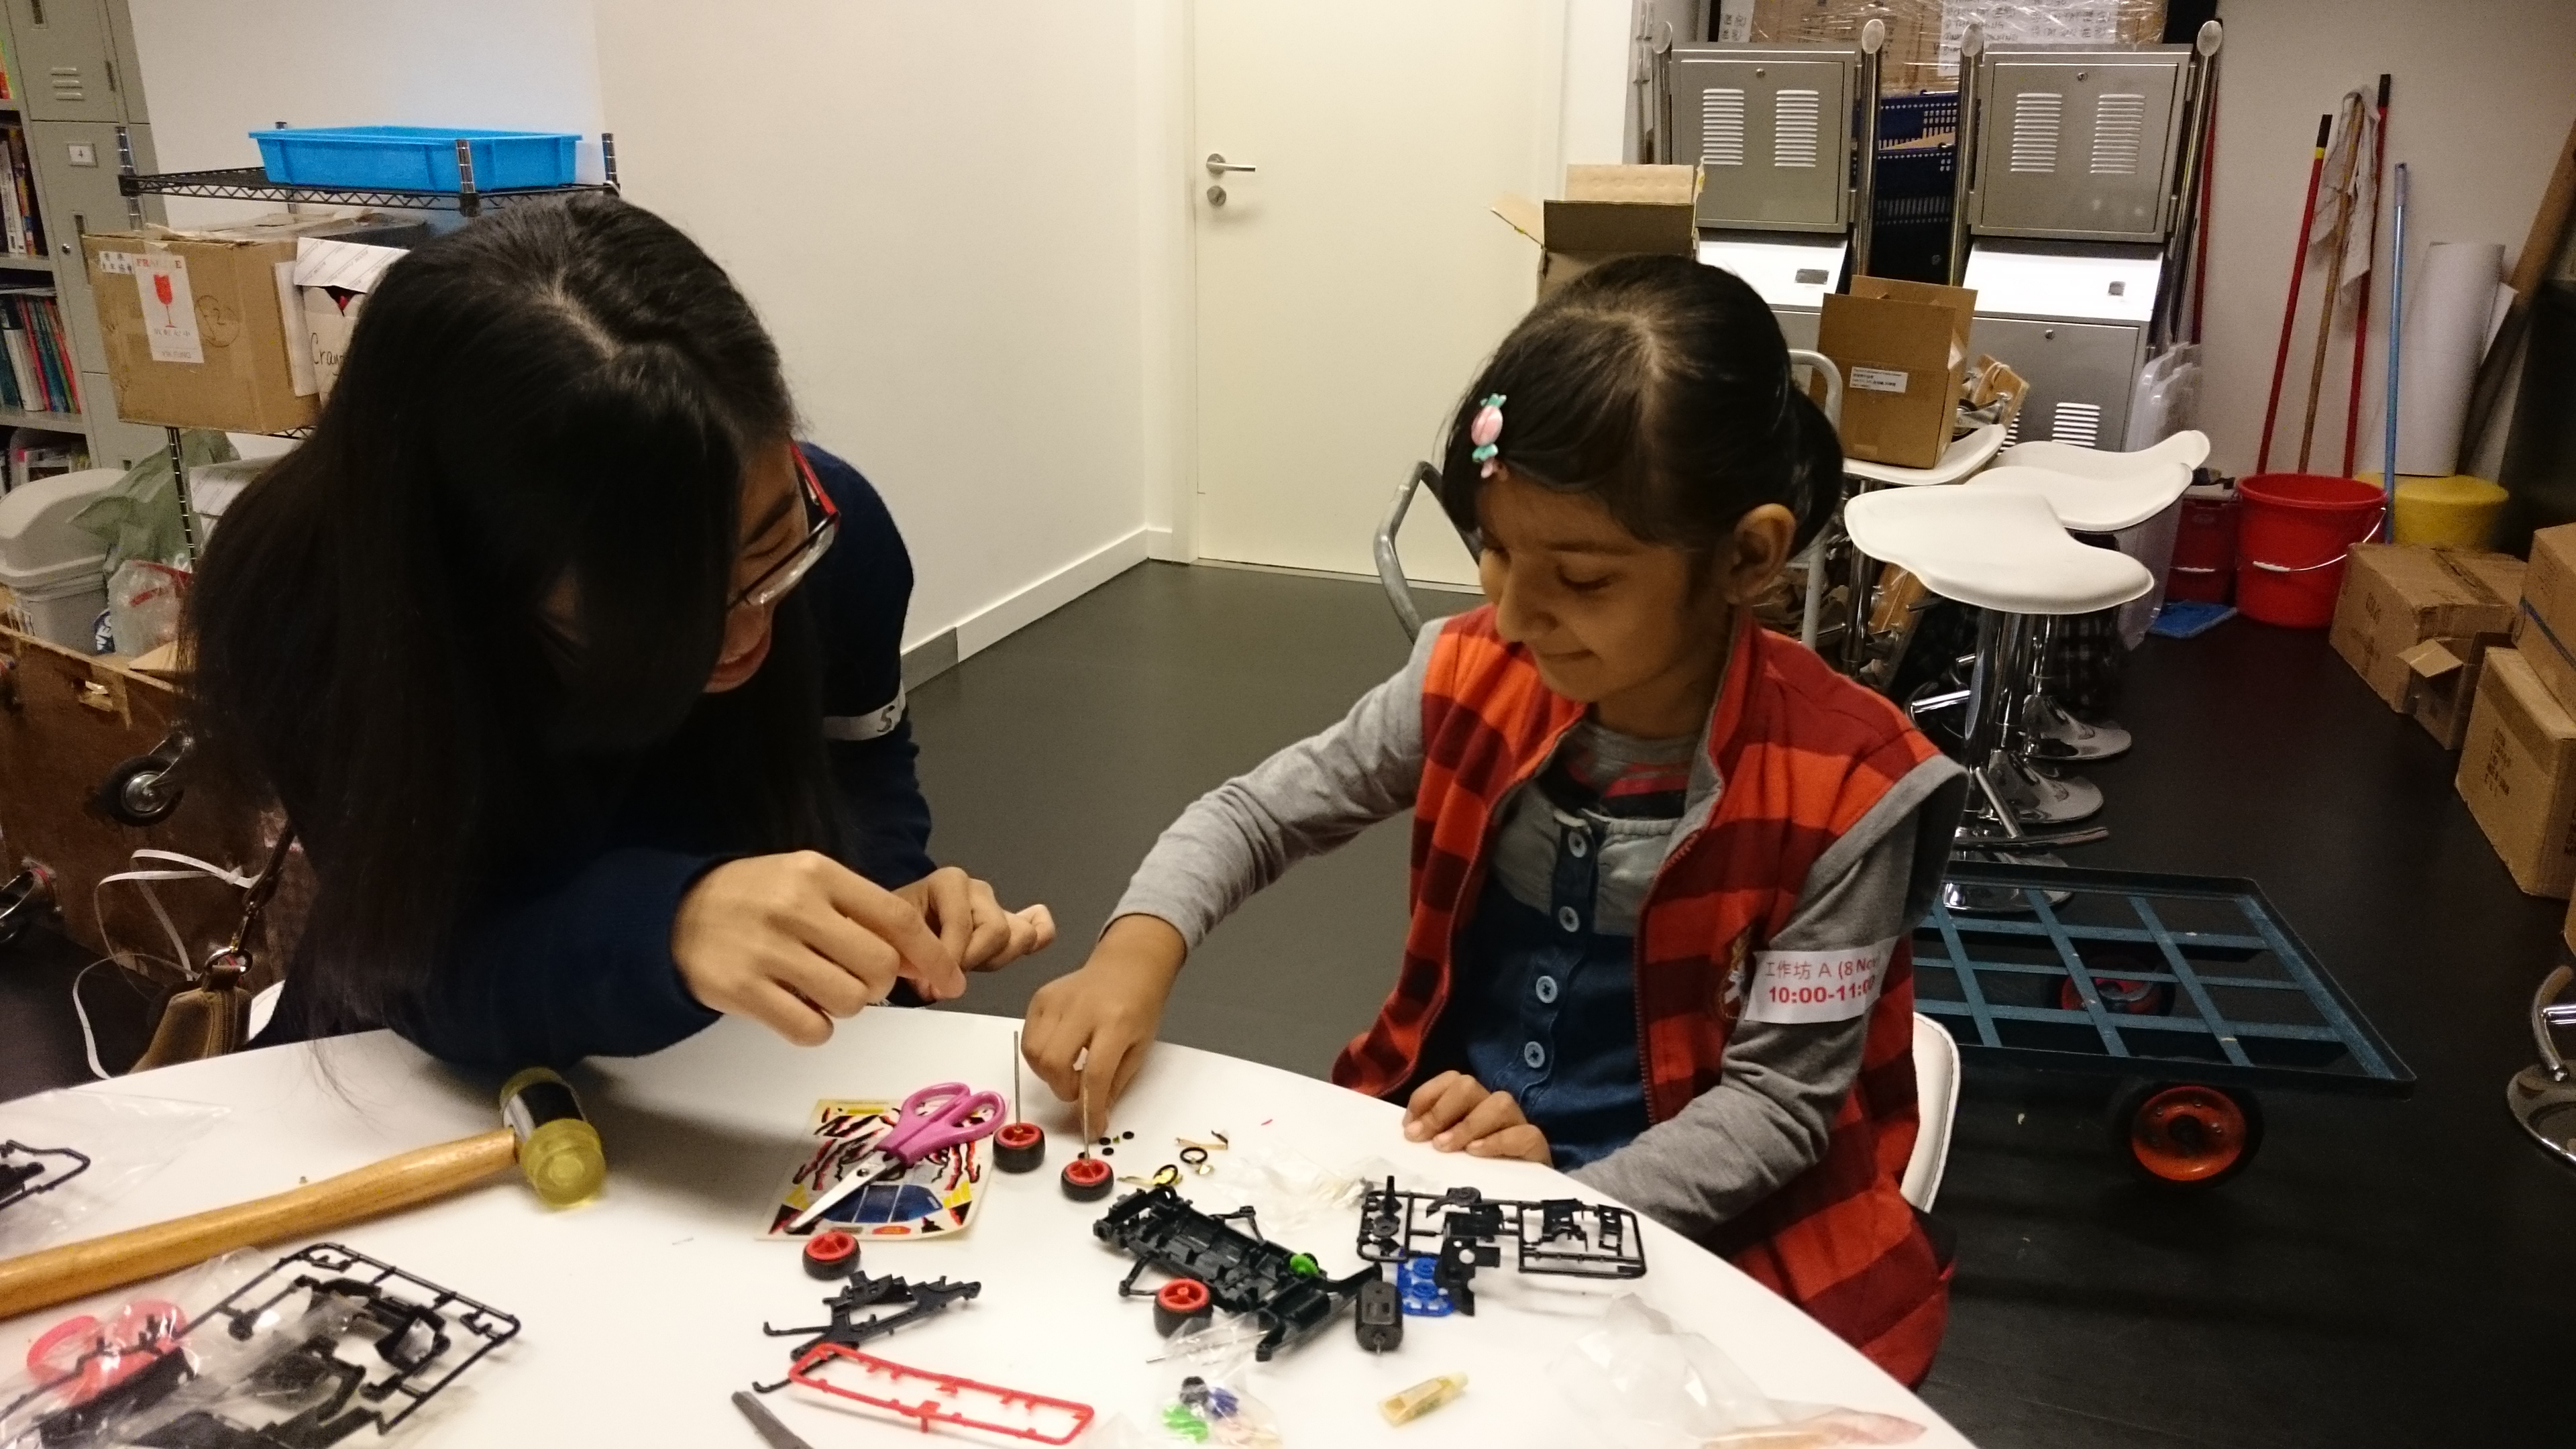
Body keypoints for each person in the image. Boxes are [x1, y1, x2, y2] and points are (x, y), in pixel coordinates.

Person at [1020, 254, 1964, 1381]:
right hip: (1460, 1156)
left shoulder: (1851, 785)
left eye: (1582, 577)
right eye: (1494, 551)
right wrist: (1138, 948)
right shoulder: (1464, 671)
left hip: (1697, 1223)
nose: (1514, 614)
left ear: (1747, 557)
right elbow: (1256, 815)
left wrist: (1545, 1209)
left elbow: (1773, 1111)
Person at [188, 193, 1053, 1071]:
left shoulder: (842, 530)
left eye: (769, 551)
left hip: (730, 1065)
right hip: (449, 1075)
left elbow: (860, 753)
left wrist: (884, 897)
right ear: (478, 579)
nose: (747, 630)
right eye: (662, 611)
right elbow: (418, 966)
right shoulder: (314, 600)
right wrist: (667, 927)